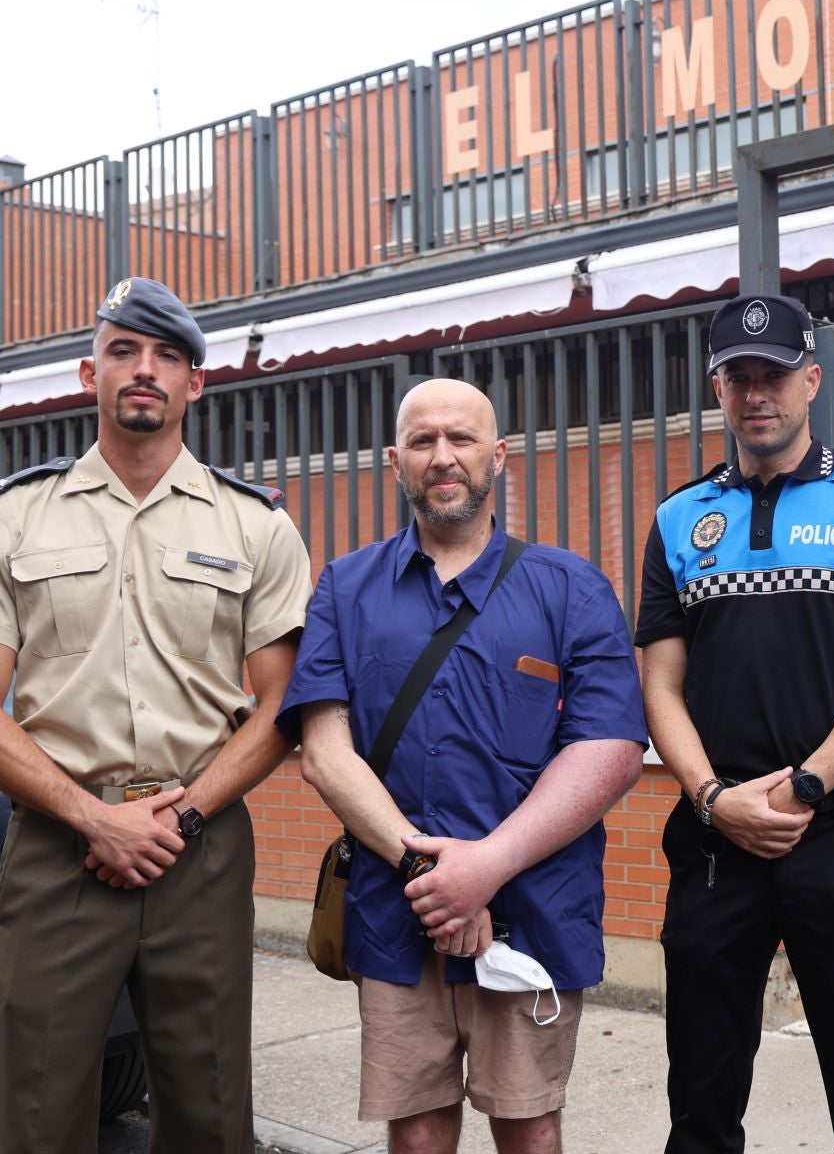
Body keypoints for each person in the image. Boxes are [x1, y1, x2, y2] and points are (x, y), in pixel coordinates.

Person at [0, 277, 313, 1154]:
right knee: (40, 1113)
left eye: (168, 355)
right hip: (60, 850)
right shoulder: (8, 518)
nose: (145, 371)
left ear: (195, 385)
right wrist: (97, 818)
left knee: (209, 1112)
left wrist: (183, 814)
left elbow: (283, 705)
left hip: (200, 850)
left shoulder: (258, 528)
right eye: (124, 350)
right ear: (88, 372)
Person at [284, 377, 646, 1154]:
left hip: (533, 912)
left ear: (500, 457)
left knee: (530, 1125)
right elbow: (322, 751)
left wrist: (486, 868)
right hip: (395, 911)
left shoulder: (571, 587)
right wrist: (434, 874)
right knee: (414, 1133)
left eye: (462, 439)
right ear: (394, 462)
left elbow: (610, 751)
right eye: (422, 441)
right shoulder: (345, 588)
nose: (443, 457)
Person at [637, 293, 834, 1154]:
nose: (756, 393)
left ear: (811, 380)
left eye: (773, 374)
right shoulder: (676, 519)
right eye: (738, 376)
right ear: (718, 389)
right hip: (716, 844)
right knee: (699, 1107)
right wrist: (712, 800)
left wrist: (806, 786)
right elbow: (659, 688)